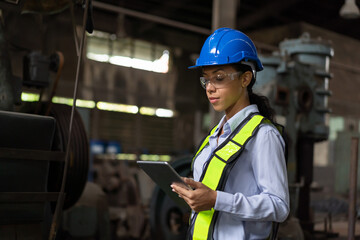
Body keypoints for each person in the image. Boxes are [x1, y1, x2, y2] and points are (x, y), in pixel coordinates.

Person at [171, 27, 290, 240]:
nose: (209, 88)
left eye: (219, 78)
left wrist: (217, 199)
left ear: (245, 79)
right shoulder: (216, 135)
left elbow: (279, 206)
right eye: (206, 79)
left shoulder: (263, 135)